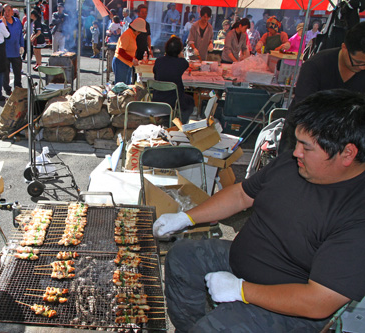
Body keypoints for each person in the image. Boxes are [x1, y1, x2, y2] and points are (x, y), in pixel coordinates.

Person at [156, 88, 365, 332]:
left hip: (290, 306)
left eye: (307, 148)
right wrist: (186, 217)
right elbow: (241, 194)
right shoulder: (292, 164)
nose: (296, 152)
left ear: (348, 153)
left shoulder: (357, 214)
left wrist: (242, 290)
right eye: (297, 142)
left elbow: (319, 301)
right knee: (181, 258)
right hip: (241, 263)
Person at [279, 21, 365, 153]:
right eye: (358, 62)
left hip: (346, 143)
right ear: (344, 47)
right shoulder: (316, 66)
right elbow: (305, 111)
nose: (362, 67)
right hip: (305, 138)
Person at [153, 36, 195, 124]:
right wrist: (181, 56)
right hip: (174, 100)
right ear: (180, 51)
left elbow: (155, 75)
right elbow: (185, 64)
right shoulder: (182, 63)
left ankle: (165, 119)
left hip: (157, 99)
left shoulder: (158, 61)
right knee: (190, 100)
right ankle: (181, 123)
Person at [113, 18, 146, 84]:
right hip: (121, 63)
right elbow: (121, 51)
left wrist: (134, 59)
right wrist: (132, 59)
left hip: (126, 63)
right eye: (139, 32)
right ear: (136, 29)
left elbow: (130, 51)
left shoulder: (132, 35)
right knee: (121, 87)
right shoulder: (127, 35)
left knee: (126, 86)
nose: (139, 33)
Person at [2, 4, 24, 94]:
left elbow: (21, 35)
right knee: (5, 74)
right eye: (5, 11)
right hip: (5, 52)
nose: (6, 13)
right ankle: (7, 89)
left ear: (12, 11)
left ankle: (18, 88)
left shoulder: (17, 21)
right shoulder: (1, 23)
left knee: (18, 72)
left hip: (16, 51)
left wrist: (22, 45)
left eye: (8, 10)